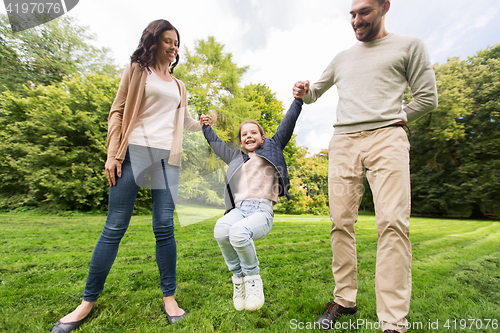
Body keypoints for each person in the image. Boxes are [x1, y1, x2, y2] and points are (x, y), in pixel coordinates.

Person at [51, 19, 205, 333]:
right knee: (115, 226)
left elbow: (183, 121)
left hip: (167, 159)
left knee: (164, 226)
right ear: (154, 41)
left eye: (176, 42)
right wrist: (112, 153)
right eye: (167, 40)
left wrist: (202, 122)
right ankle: (87, 302)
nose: (173, 47)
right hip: (134, 151)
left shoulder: (179, 86)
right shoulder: (137, 70)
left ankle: (170, 298)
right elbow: (117, 111)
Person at [293, 0, 438, 332]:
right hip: (344, 142)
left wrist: (394, 118)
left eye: (364, 12)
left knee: (392, 223)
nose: (356, 20)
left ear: (384, 7)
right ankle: (344, 299)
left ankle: (393, 321)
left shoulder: (409, 46)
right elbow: (316, 91)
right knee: (340, 222)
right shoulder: (342, 58)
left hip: (388, 139)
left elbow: (427, 97)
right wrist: (305, 90)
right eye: (352, 14)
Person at [199, 98, 303, 311]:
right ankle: (238, 279)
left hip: (261, 211)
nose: (249, 136)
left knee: (238, 232)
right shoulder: (236, 158)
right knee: (221, 229)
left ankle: (253, 280)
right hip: (239, 210)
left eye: (253, 132)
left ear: (263, 138)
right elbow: (216, 144)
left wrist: (298, 100)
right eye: (244, 134)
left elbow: (287, 123)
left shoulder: (272, 148)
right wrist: (206, 127)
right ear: (240, 141)